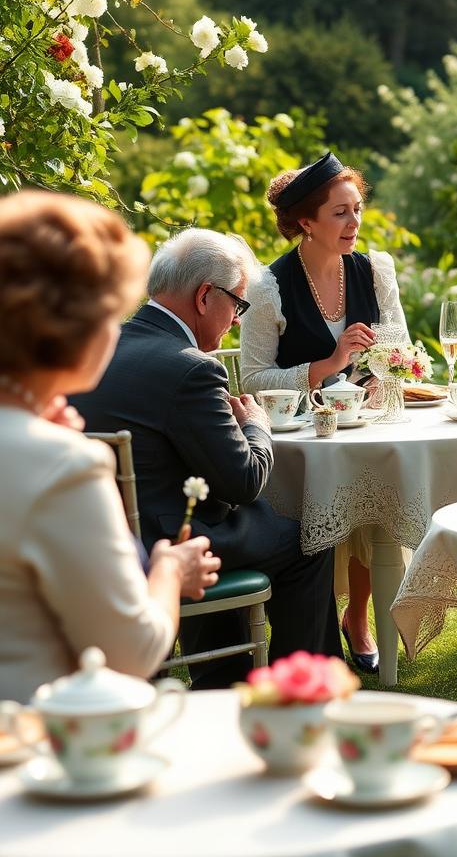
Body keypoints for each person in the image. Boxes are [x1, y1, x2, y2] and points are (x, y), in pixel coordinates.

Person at [74, 228, 342, 689]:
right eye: (238, 305)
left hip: (98, 536)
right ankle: (294, 690)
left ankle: (222, 675)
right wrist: (255, 423)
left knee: (225, 518)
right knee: (311, 540)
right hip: (168, 542)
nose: (237, 321)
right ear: (204, 296)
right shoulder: (191, 367)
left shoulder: (97, 347)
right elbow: (243, 480)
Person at [0, 192, 219, 704]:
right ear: (81, 329)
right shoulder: (63, 464)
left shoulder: (46, 444)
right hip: (36, 746)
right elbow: (131, 653)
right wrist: (170, 569)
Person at [240, 153, 408, 674]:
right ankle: (325, 620)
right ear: (305, 223)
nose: (354, 223)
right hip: (299, 437)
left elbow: (400, 346)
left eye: (356, 210)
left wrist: (385, 368)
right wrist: (327, 365)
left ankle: (357, 616)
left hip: (364, 423)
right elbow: (252, 378)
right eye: (339, 213)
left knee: (374, 493)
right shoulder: (268, 287)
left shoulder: (375, 269)